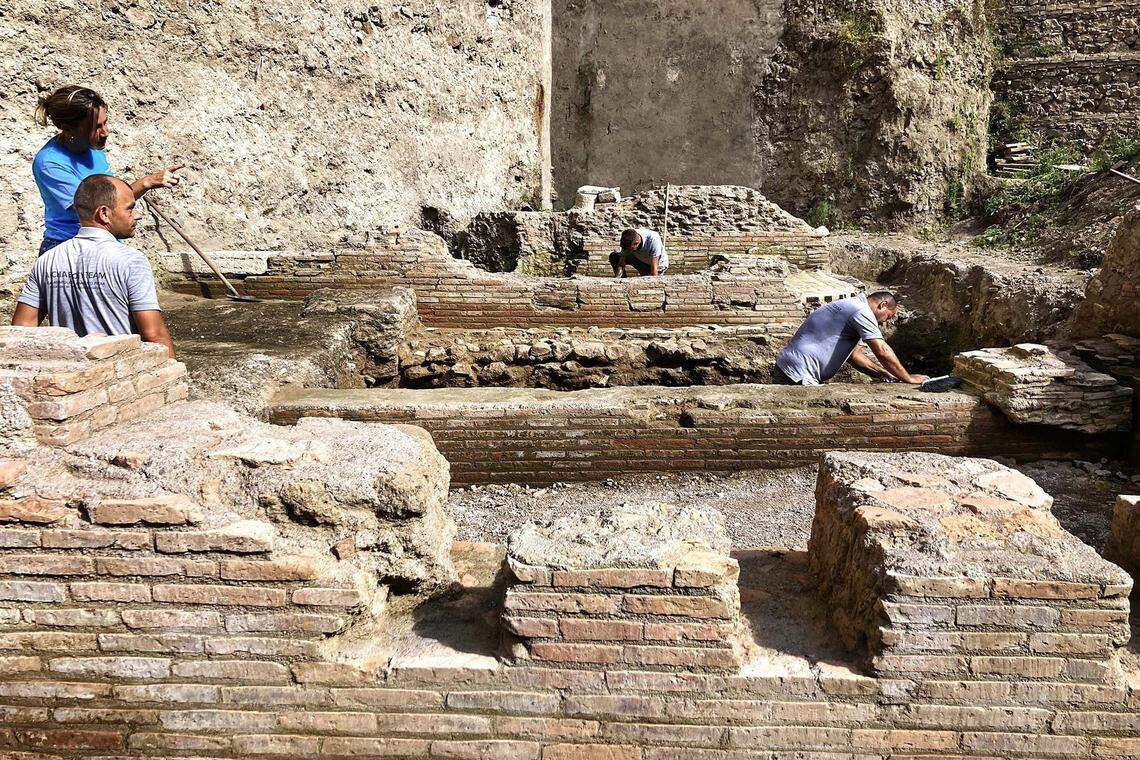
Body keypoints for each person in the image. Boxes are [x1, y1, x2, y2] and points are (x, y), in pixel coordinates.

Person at [12, 174, 175, 358]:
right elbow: (154, 336)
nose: (137, 215)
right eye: (130, 209)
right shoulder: (131, 261)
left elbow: (21, 330)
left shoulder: (47, 260)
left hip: (71, 375)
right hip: (118, 375)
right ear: (104, 214)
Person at [33, 85, 183, 255]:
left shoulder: (93, 148)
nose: (106, 132)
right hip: (68, 250)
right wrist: (145, 183)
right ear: (68, 128)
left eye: (105, 123)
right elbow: (95, 210)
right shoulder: (50, 163)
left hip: (102, 244)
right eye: (96, 127)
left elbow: (109, 198)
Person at [774, 291, 926, 386]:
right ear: (883, 305)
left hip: (791, 368)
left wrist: (883, 373)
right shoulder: (861, 310)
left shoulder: (851, 307)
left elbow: (855, 356)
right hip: (800, 372)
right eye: (888, 316)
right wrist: (908, 378)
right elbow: (882, 350)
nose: (883, 322)